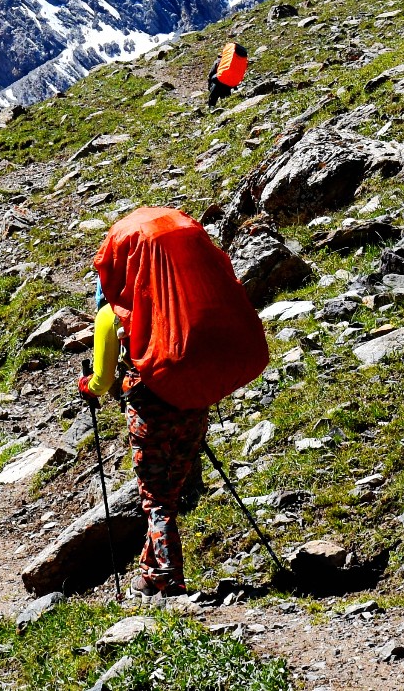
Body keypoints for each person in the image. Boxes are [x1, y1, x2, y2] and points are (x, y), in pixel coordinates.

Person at [78, 206, 269, 597]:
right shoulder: (177, 306)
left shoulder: (112, 316)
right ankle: (149, 575)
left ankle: (168, 578)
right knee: (171, 490)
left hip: (150, 409)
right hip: (194, 402)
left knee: (155, 498)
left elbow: (101, 381)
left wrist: (86, 387)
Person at [206, 40, 248, 108]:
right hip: (233, 83)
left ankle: (211, 105)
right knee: (226, 83)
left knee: (215, 81)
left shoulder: (219, 61)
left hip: (222, 79)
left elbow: (211, 74)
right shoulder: (237, 61)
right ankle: (227, 100)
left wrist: (209, 86)